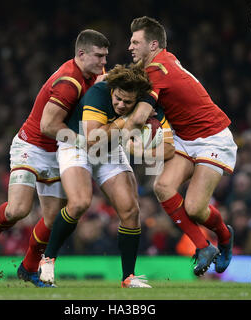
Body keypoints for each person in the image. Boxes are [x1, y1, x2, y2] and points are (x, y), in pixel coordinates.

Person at [0, 29, 110, 287]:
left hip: (58, 153)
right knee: (19, 209)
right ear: (81, 54)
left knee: (54, 220)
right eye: (99, 56)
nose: (103, 62)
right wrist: (85, 141)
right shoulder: (69, 82)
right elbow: (47, 126)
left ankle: (29, 268)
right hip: (32, 147)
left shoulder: (96, 75)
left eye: (106, 57)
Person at [38, 63, 175, 287]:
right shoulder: (99, 93)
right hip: (78, 145)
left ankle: (128, 277)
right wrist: (126, 121)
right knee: (80, 202)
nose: (120, 104)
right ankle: (48, 259)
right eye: (118, 98)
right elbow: (93, 139)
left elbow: (168, 148)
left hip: (110, 150)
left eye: (127, 102)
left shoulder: (149, 106)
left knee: (131, 210)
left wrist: (141, 150)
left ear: (139, 99)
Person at [124, 16, 236, 276]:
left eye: (135, 42)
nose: (130, 47)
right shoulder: (163, 61)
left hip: (212, 137)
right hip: (186, 136)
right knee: (162, 187)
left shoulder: (158, 70)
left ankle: (225, 236)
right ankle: (203, 247)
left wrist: (112, 137)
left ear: (153, 45)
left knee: (195, 208)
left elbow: (140, 117)